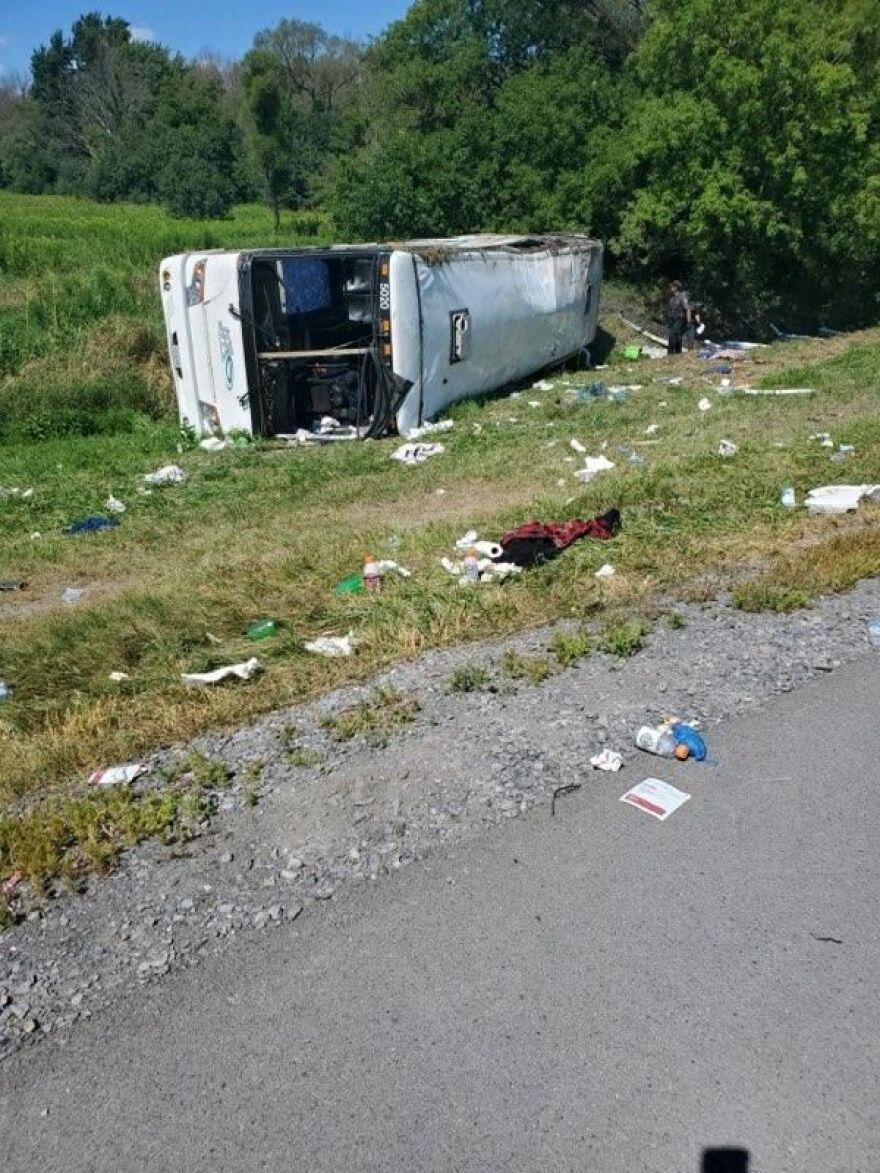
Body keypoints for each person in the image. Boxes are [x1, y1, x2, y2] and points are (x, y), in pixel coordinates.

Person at [666, 280, 691, 354]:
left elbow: (687, 309)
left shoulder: (682, 296)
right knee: (676, 336)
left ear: (676, 287)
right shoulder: (672, 298)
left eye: (672, 287)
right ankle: (678, 353)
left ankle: (670, 353)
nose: (671, 288)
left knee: (673, 335)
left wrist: (689, 322)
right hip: (672, 320)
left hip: (680, 319)